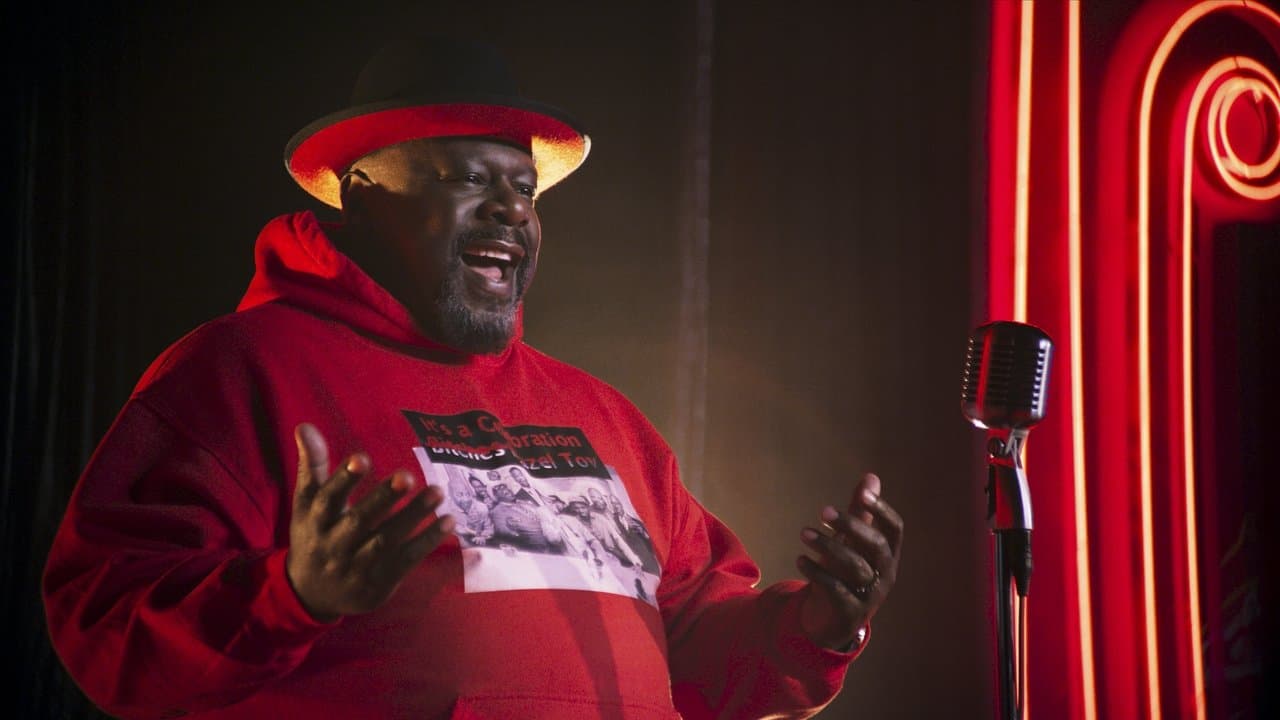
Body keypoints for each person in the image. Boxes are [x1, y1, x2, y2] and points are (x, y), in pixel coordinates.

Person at [42, 36, 903, 719]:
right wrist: (292, 595)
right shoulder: (239, 372)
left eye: (525, 188)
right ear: (361, 195)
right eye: (467, 178)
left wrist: (817, 624)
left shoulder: (603, 417)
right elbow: (103, 630)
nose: (511, 208)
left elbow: (694, 639)